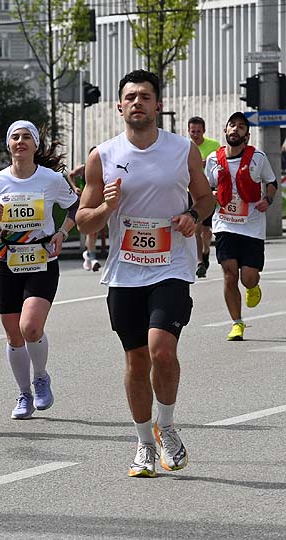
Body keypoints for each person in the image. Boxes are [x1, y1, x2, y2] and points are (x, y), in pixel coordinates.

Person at [77, 70, 215, 478]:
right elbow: (84, 221)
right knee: (136, 360)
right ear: (119, 107)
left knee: (161, 350)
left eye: (145, 96)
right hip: (125, 271)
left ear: (158, 105)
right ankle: (143, 443)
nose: (137, 102)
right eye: (131, 97)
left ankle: (166, 426)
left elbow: (206, 198)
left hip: (171, 266)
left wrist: (192, 216)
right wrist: (107, 207)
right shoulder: (102, 155)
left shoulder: (182, 149)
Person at [0, 121, 78, 419]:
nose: (20, 141)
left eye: (26, 137)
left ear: (35, 144)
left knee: (30, 327)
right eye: (14, 137)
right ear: (8, 145)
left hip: (41, 259)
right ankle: (24, 394)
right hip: (6, 260)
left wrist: (62, 232)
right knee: (14, 335)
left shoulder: (51, 179)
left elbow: (76, 206)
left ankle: (41, 377)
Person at [205, 112, 277, 341]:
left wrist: (268, 199)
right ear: (225, 130)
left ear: (247, 135)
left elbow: (272, 182)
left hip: (252, 225)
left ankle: (253, 286)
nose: (235, 129)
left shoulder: (258, 157)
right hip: (224, 223)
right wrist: (211, 194)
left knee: (248, 277)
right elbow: (206, 187)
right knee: (229, 274)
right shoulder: (213, 160)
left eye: (241, 127)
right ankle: (237, 323)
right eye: (232, 125)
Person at [188, 117, 222, 277]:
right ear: (188, 131)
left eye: (198, 131)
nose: (195, 134)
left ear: (204, 131)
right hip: (190, 190)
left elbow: (221, 166)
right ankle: (199, 261)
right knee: (196, 227)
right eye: (192, 131)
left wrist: (206, 164)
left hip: (208, 191)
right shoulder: (186, 147)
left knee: (206, 229)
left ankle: (206, 250)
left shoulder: (214, 146)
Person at [69, 147, 102, 272]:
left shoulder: (102, 167)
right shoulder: (84, 168)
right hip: (85, 201)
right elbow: (70, 175)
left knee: (95, 231)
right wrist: (74, 187)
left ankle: (88, 254)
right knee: (91, 230)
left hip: (97, 201)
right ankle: (92, 257)